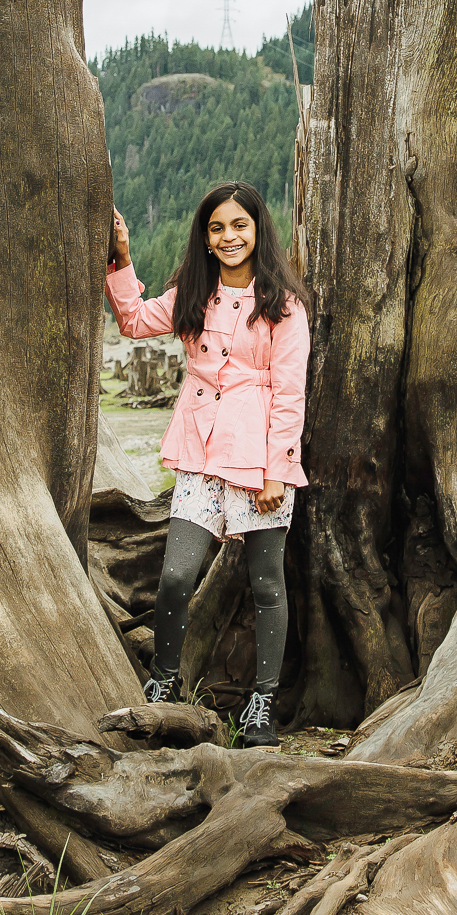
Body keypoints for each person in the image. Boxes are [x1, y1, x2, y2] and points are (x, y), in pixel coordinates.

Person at [105, 180, 309, 748]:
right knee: (175, 577)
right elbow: (134, 321)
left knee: (266, 582)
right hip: (199, 454)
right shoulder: (192, 293)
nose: (228, 237)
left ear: (257, 231)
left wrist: (276, 472)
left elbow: (290, 395)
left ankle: (261, 706)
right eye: (217, 227)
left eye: (239, 225)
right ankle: (164, 685)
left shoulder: (284, 307)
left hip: (261, 459)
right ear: (205, 236)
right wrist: (121, 260)